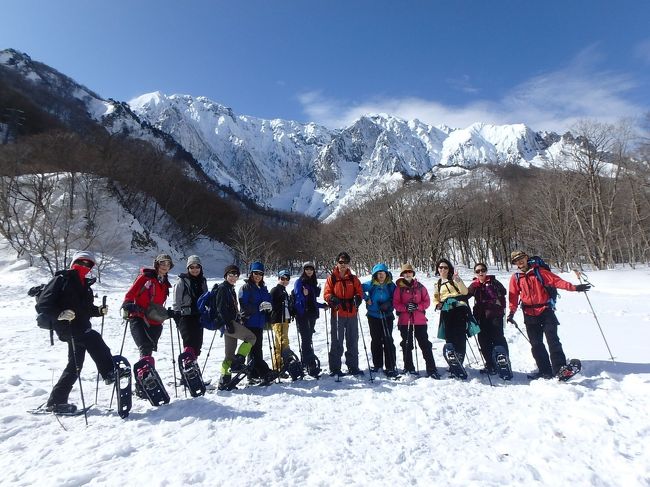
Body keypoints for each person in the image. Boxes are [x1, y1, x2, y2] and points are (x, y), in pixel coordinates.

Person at [37, 251, 122, 413]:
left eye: (88, 264)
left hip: (80, 327)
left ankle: (56, 401)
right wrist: (60, 314)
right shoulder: (62, 279)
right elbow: (44, 303)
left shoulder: (85, 286)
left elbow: (86, 310)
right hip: (65, 326)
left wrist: (98, 310)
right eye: (81, 263)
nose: (84, 267)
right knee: (93, 338)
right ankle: (109, 372)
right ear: (73, 263)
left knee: (75, 365)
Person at [508, 250, 591, 378]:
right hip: (529, 313)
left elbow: (557, 282)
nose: (520, 261)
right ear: (515, 263)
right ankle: (544, 370)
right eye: (516, 260)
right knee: (536, 344)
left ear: (526, 258)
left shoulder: (539, 272)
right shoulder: (516, 278)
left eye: (521, 258)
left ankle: (560, 369)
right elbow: (513, 296)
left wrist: (574, 288)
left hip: (546, 311)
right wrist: (511, 312)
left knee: (553, 340)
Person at [121, 254, 173, 379]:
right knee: (144, 347)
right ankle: (145, 377)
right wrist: (127, 303)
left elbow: (159, 303)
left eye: (168, 264)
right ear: (156, 264)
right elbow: (131, 292)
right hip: (138, 316)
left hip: (155, 321)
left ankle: (143, 382)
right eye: (162, 263)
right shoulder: (146, 277)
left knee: (147, 351)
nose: (165, 266)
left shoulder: (165, 283)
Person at [393, 264, 439, 378]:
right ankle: (409, 368)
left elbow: (427, 302)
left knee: (425, 344)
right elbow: (396, 303)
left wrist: (417, 306)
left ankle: (431, 369)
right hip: (405, 320)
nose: (408, 274)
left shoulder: (420, 287)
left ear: (413, 274)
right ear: (402, 275)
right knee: (407, 344)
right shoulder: (399, 288)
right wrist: (405, 307)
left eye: (409, 272)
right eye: (405, 272)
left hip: (420, 320)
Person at [216, 264, 257, 390]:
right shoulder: (223, 288)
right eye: (230, 275)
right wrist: (229, 323)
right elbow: (220, 308)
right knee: (251, 338)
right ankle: (237, 363)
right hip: (228, 324)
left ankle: (224, 380)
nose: (233, 277)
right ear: (225, 276)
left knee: (229, 354)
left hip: (229, 323)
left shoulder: (230, 288)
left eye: (235, 275)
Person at [324, 252, 364, 376]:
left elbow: (360, 292)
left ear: (348, 264)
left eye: (345, 262)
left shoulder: (353, 278)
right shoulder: (332, 278)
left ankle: (353, 366)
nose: (343, 265)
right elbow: (326, 293)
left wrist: (358, 298)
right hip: (337, 313)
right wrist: (331, 298)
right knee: (337, 341)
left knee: (352, 340)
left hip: (351, 313)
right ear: (337, 263)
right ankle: (335, 368)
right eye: (341, 262)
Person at [433, 258, 478, 368]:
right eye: (441, 267)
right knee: (449, 336)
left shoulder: (454, 279)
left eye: (445, 267)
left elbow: (465, 292)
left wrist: (458, 280)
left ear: (449, 269)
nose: (443, 269)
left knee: (460, 336)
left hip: (459, 309)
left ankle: (459, 361)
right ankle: (453, 359)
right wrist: (437, 304)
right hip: (446, 309)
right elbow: (436, 298)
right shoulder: (437, 284)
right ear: (438, 269)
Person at [238, 261, 277, 383]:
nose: (258, 276)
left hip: (260, 323)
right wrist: (258, 307)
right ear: (251, 273)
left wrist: (269, 307)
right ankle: (264, 372)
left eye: (260, 274)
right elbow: (243, 306)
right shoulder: (246, 288)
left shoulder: (263, 288)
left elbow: (269, 300)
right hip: (249, 322)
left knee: (257, 349)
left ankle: (253, 374)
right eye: (255, 273)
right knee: (255, 350)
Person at [467, 262, 508, 374]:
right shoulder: (474, 285)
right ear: (475, 273)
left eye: (483, 270)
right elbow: (465, 295)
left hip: (495, 314)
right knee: (483, 341)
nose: (481, 272)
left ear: (486, 271)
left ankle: (504, 362)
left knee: (497, 338)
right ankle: (490, 364)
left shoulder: (493, 281)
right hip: (481, 316)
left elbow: (503, 291)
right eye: (478, 271)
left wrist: (491, 289)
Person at [362, 263, 399, 377]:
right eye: (378, 274)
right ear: (375, 275)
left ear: (386, 273)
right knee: (376, 340)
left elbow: (396, 297)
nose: (381, 275)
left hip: (387, 315)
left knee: (388, 339)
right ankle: (377, 365)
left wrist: (388, 303)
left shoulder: (391, 285)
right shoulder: (371, 284)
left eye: (382, 273)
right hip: (373, 316)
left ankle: (390, 365)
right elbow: (358, 289)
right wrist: (367, 298)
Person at [172, 255, 208, 362]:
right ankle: (187, 369)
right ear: (188, 268)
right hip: (185, 316)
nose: (195, 269)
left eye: (197, 267)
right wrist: (177, 314)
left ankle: (193, 369)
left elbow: (206, 297)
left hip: (198, 316)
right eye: (192, 267)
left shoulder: (202, 280)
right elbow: (176, 299)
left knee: (197, 345)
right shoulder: (182, 281)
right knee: (188, 343)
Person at [293, 261, 325, 375]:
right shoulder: (299, 282)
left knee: (308, 339)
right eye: (307, 269)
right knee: (306, 339)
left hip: (312, 315)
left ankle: (306, 361)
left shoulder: (312, 282)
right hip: (302, 315)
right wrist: (303, 295)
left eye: (311, 269)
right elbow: (297, 297)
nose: (309, 271)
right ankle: (310, 363)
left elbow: (313, 302)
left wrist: (323, 306)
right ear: (304, 270)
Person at [269, 269, 292, 375]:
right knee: (284, 342)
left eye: (287, 279)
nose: (285, 280)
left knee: (278, 345)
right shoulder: (275, 290)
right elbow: (271, 306)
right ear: (278, 278)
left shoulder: (284, 290)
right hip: (278, 320)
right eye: (283, 278)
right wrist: (280, 302)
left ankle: (277, 367)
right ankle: (287, 364)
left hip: (285, 320)